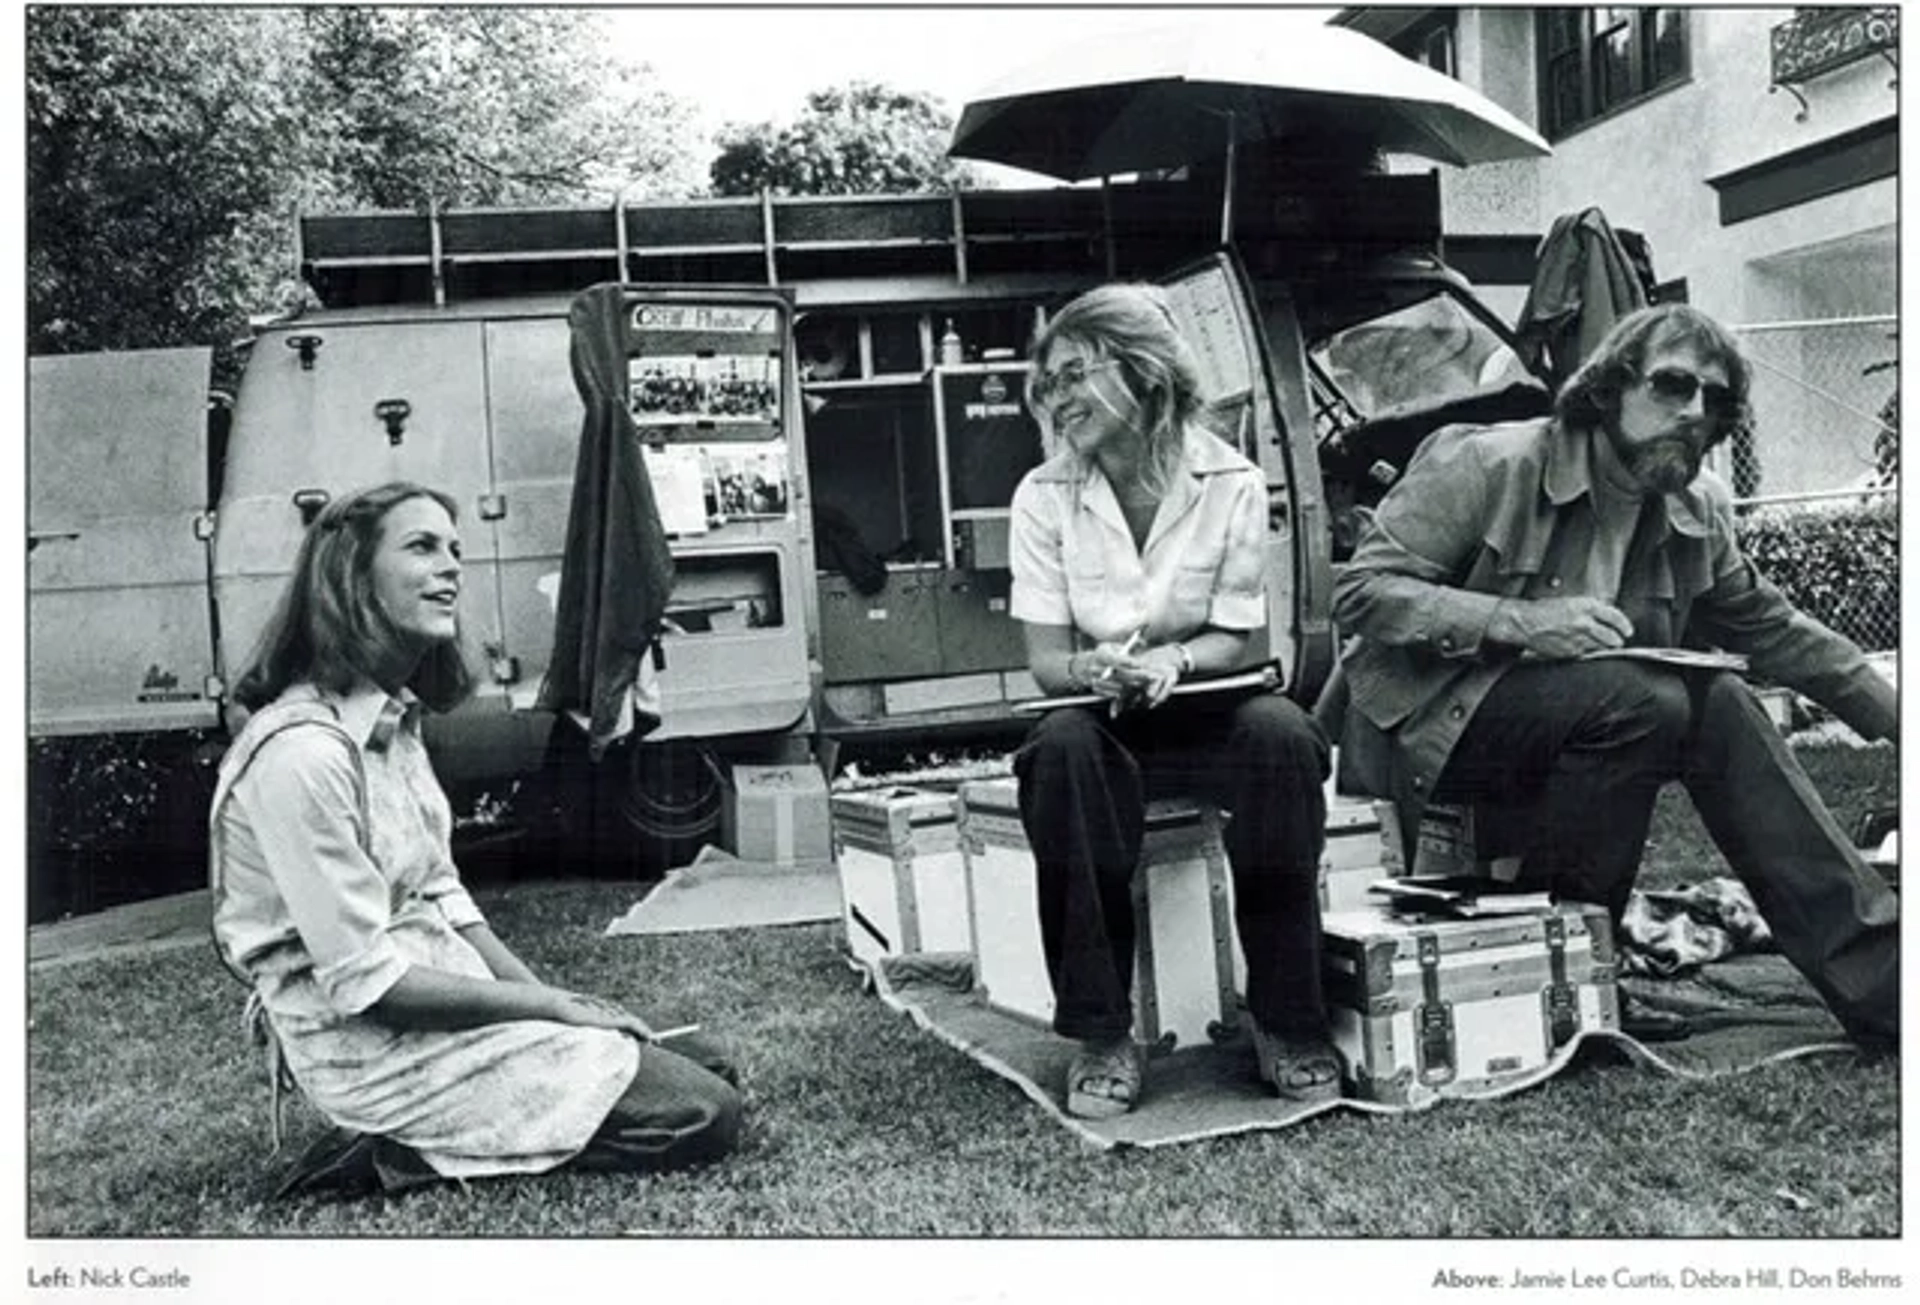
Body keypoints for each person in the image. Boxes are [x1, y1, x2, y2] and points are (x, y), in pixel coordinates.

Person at [1332, 303, 1897, 1046]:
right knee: (1651, 700)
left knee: (1719, 699)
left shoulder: (1694, 511)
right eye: (1672, 384)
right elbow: (1359, 591)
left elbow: (1779, 633)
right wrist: (1517, 621)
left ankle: (1888, 989)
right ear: (1608, 386)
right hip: (1426, 732)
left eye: (1716, 399)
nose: (1695, 410)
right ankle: (1577, 972)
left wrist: (1896, 718)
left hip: (1594, 729)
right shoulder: (1489, 461)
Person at [210, 481, 742, 1193]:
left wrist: (563, 1004)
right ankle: (384, 1152)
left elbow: (443, 895)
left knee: (713, 1059)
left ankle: (482, 1116)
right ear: (352, 578)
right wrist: (545, 1009)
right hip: (373, 1051)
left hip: (447, 1005)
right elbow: (369, 984)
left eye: (455, 549)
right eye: (423, 546)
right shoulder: (301, 754)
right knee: (705, 1112)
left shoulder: (392, 724)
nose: (453, 565)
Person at [1007, 284, 1339, 1118]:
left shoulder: (1231, 478)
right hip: (1103, 714)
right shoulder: (1041, 495)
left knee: (1284, 734)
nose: (1057, 399)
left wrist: (1176, 658)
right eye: (1047, 383)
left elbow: (1237, 636)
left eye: (1075, 373)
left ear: (1144, 371)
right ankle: (1101, 1032)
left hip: (1205, 703)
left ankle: (1289, 1019)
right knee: (1060, 752)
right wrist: (1096, 672)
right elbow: (1046, 662)